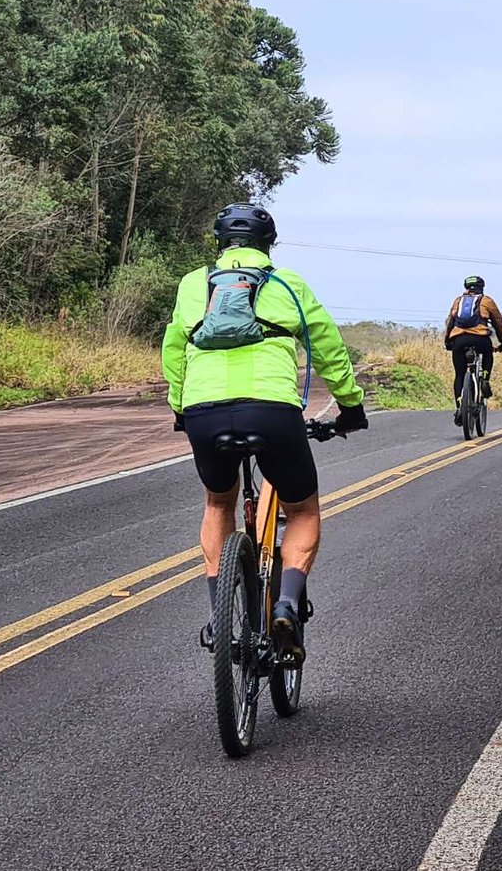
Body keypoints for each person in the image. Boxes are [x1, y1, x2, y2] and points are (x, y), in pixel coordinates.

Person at [163, 203, 367, 662]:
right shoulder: (287, 283)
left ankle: (220, 616)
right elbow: (328, 344)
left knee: (219, 501)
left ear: (220, 243)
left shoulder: (194, 284)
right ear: (268, 243)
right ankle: (288, 605)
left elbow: (174, 347)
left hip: (204, 408)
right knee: (302, 510)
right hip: (272, 409)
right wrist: (350, 406)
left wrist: (181, 407)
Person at [443, 275, 502, 424]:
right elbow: (498, 323)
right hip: (480, 339)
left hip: (459, 340)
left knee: (459, 374)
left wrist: (447, 341)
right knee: (488, 353)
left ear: (466, 288)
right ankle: (485, 379)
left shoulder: (458, 301)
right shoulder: (487, 301)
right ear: (482, 288)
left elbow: (450, 321)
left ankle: (460, 405)